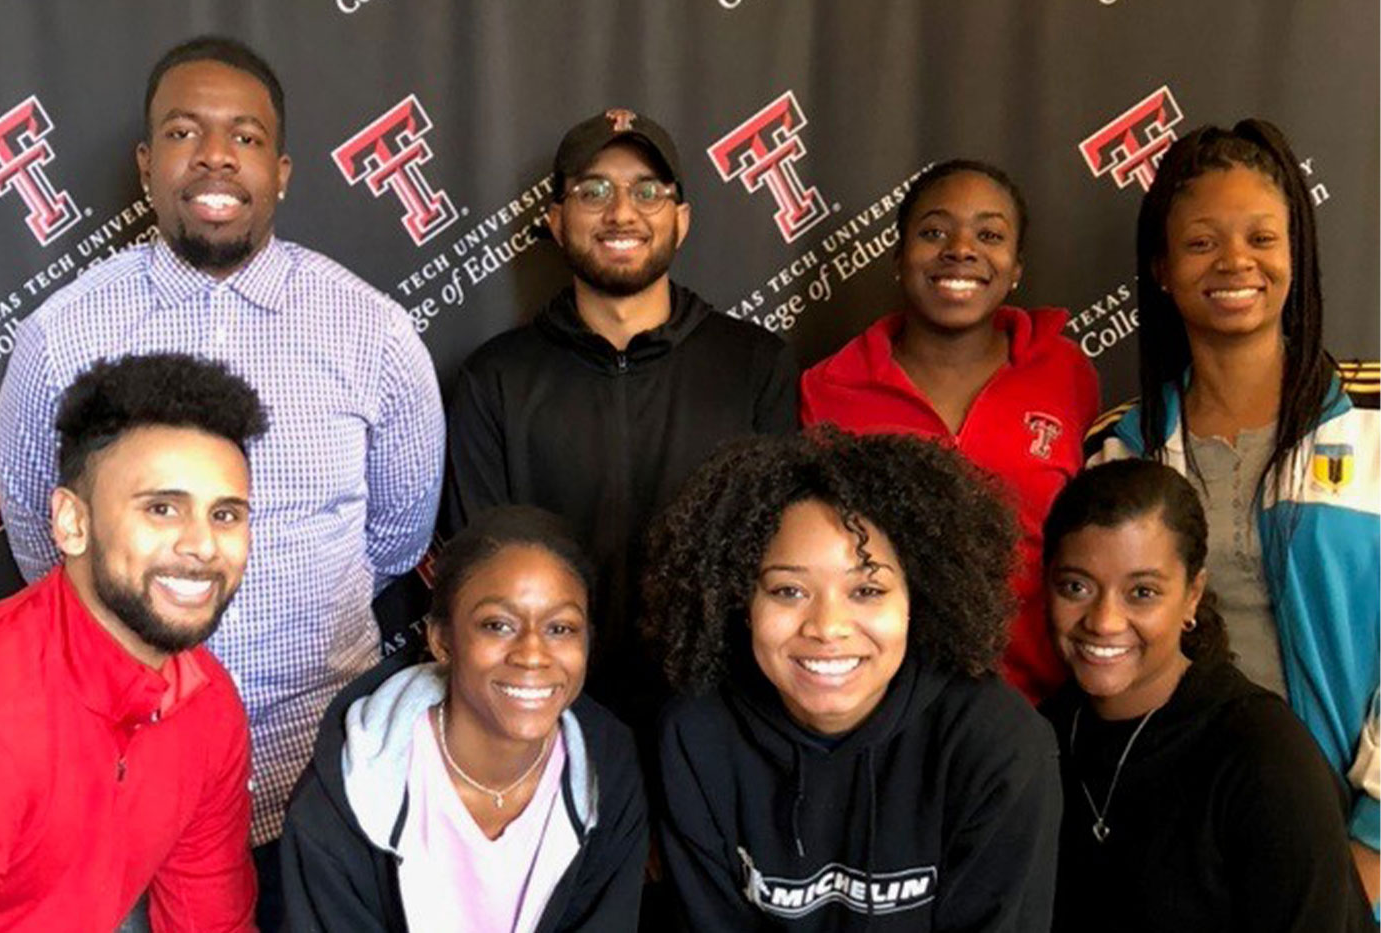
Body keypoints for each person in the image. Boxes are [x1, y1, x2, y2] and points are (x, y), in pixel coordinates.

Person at [0, 36, 446, 924]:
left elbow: (396, 537)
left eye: (243, 136)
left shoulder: (376, 336)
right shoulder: (58, 334)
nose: (213, 156)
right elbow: (41, 540)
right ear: (145, 163)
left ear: (280, 169)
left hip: (321, 780)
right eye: (183, 132)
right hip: (104, 799)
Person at [1085, 119, 1379, 901]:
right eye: (1202, 242)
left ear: (1296, 251)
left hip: (1348, 840)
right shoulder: (1123, 452)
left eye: (1262, 236)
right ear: (1160, 268)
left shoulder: (1373, 426)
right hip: (1180, 847)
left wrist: (1372, 842)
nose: (1236, 262)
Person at [448, 108, 798, 720]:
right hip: (549, 715)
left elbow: (781, 558)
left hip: (720, 714)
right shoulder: (495, 378)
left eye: (647, 191)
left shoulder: (753, 365)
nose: (622, 213)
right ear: (556, 221)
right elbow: (483, 572)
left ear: (681, 220)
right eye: (593, 191)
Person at [645, 429, 1061, 931]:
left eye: (866, 590)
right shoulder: (697, 736)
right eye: (788, 590)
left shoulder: (996, 742)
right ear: (742, 602)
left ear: (918, 600)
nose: (827, 627)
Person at [0, 353, 265, 931]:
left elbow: (211, 922)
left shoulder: (211, 706)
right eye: (163, 509)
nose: (204, 546)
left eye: (226, 514)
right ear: (71, 523)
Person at [801, 159, 1099, 705]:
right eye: (934, 231)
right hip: (883, 707)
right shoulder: (827, 388)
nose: (961, 248)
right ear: (897, 259)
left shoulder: (1065, 372)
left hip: (1046, 704)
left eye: (989, 234)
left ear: (1016, 268)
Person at [281, 505, 647, 931]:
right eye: (498, 625)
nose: (532, 653)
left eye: (560, 628)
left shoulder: (610, 771)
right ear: (442, 641)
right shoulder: (342, 798)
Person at [1041, 459, 1370, 931]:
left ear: (1192, 595)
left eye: (1142, 592)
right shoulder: (1036, 741)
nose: (1104, 620)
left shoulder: (1261, 754)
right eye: (1076, 586)